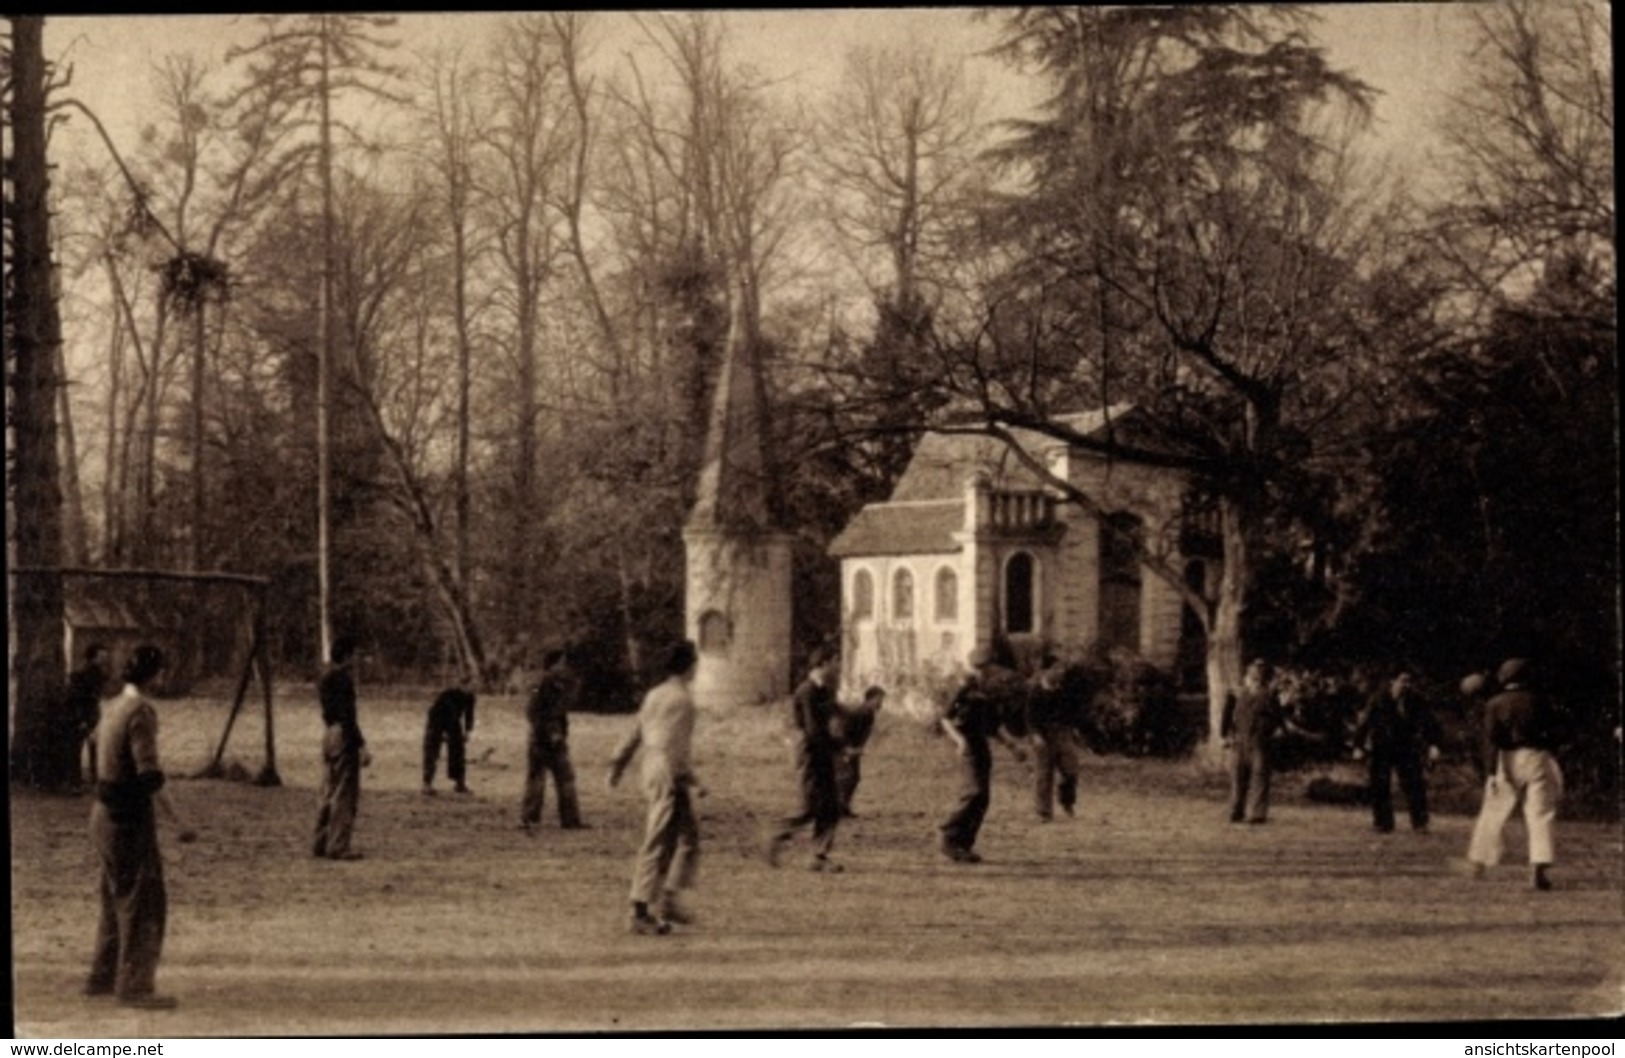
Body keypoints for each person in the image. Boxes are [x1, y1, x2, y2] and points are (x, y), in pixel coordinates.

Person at [84, 645, 196, 1010]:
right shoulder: (141, 712)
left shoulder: (112, 705)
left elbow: (93, 744)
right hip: (127, 819)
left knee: (112, 897)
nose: (163, 678)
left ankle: (102, 976)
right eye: (161, 672)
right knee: (143, 901)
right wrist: (178, 820)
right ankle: (134, 986)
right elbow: (149, 775)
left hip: (102, 815)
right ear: (153, 674)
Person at [608, 639, 705, 935]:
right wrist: (691, 779)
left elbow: (637, 731)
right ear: (689, 666)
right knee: (660, 841)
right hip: (667, 771)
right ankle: (641, 909)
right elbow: (675, 747)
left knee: (688, 839)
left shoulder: (655, 694)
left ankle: (669, 898)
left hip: (651, 767)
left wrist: (618, 763)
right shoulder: (683, 701)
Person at [1464, 658, 1565, 890]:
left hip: (1507, 758)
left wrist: (1490, 771)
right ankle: (1539, 868)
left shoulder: (1495, 703)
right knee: (1541, 814)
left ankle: (1478, 863)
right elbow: (1558, 732)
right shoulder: (1540, 701)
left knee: (1493, 811)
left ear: (1504, 678)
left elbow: (1491, 740)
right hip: (1538, 757)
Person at [938, 646, 1026, 863]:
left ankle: (963, 845)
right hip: (968, 745)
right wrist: (959, 741)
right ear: (972, 667)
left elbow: (993, 725)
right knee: (974, 792)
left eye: (986, 667)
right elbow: (945, 719)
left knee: (983, 798)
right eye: (979, 667)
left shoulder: (989, 691)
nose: (983, 671)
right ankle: (947, 835)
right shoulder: (964, 688)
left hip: (981, 746)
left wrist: (1013, 747)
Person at [767, 647, 846, 871]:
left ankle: (819, 857)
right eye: (835, 661)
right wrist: (839, 748)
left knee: (831, 807)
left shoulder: (824, 690)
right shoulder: (807, 692)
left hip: (822, 753)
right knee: (809, 808)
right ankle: (774, 835)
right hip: (810, 755)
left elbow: (836, 716)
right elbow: (813, 731)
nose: (838, 666)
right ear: (823, 664)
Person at [1351, 667, 1443, 833]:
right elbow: (1364, 723)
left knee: (1415, 783)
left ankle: (1420, 822)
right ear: (1392, 681)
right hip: (1382, 747)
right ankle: (1383, 823)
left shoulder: (1416, 700)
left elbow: (1430, 722)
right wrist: (1358, 746)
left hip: (1406, 747)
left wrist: (1434, 745)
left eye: (1409, 681)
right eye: (1403, 681)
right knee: (1379, 784)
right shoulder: (1378, 699)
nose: (1406, 685)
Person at [312, 636, 370, 860]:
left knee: (328, 789)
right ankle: (338, 845)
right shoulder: (344, 680)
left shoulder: (325, 678)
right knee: (345, 793)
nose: (355, 659)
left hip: (328, 734)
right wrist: (361, 745)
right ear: (346, 656)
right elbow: (348, 716)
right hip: (343, 735)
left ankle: (320, 841)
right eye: (353, 654)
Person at [520, 648, 586, 832]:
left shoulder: (554, 683)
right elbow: (533, 712)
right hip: (543, 739)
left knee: (555, 778)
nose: (565, 666)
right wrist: (550, 732)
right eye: (561, 662)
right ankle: (564, 819)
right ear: (553, 664)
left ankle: (537, 818)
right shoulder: (544, 683)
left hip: (550, 737)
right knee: (546, 778)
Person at [1220, 659, 1283, 825]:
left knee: (1259, 776)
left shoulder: (1269, 695)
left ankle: (1257, 813)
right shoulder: (1236, 694)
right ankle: (1236, 810)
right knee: (1237, 777)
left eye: (1259, 677)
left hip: (1260, 742)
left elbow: (1278, 716)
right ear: (1246, 677)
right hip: (1239, 740)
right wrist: (1224, 736)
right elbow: (1226, 716)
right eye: (1253, 676)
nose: (1256, 680)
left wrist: (1277, 730)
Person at [1026, 650, 1085, 822]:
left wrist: (1075, 731)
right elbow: (1029, 717)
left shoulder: (1064, 691)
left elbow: (1072, 714)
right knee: (1043, 774)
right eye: (1056, 669)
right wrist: (1036, 736)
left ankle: (1066, 801)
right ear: (1046, 671)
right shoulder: (1035, 692)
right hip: (1042, 736)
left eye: (1061, 669)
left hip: (1063, 734)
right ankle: (1043, 812)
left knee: (1071, 770)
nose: (1060, 672)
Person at [833, 685, 885, 817]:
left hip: (853, 749)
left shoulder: (869, 714)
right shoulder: (860, 712)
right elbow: (843, 729)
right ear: (870, 699)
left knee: (853, 777)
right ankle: (836, 808)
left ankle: (843, 807)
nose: (881, 703)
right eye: (879, 699)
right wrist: (847, 748)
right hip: (844, 748)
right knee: (846, 777)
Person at [66, 642, 112, 789]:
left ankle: (94, 779)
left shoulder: (99, 673)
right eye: (101, 656)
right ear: (92, 657)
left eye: (105, 655)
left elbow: (96, 696)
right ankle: (76, 783)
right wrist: (81, 719)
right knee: (77, 749)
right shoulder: (81, 675)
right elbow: (76, 699)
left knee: (95, 747)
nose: (104, 658)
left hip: (93, 715)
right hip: (81, 716)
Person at [422, 683, 476, 796]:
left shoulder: (471, 696)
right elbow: (450, 714)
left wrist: (467, 731)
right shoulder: (448, 694)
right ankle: (427, 784)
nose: (472, 688)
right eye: (469, 685)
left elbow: (469, 714)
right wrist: (446, 736)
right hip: (436, 719)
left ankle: (460, 783)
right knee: (432, 750)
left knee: (459, 750)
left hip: (454, 720)